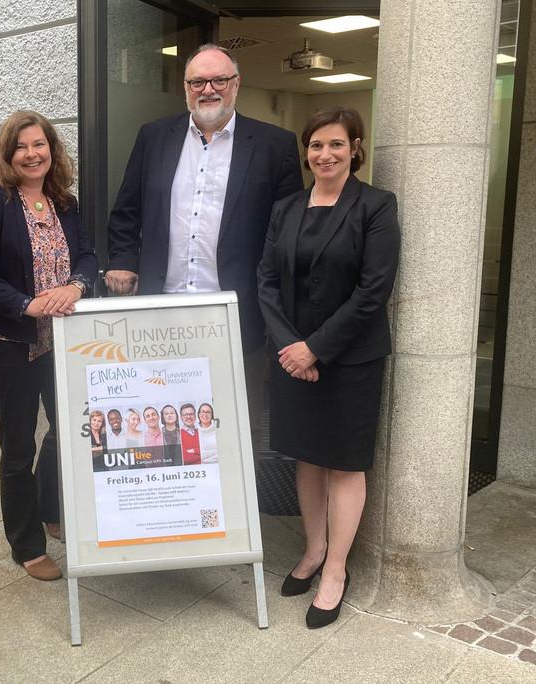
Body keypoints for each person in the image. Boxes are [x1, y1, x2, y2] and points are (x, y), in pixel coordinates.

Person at [105, 43, 303, 432]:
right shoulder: (154, 137)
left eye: (218, 80)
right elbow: (126, 210)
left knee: (234, 425)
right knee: (161, 421)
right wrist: (124, 259)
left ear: (236, 84)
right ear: (185, 87)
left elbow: (285, 232)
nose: (208, 89)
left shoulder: (274, 146)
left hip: (234, 312)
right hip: (160, 312)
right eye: (197, 81)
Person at [257, 107, 400, 629]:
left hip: (350, 359)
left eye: (337, 144)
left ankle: (337, 570)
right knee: (307, 458)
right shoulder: (287, 208)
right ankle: (313, 550)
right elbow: (266, 281)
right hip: (291, 357)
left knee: (343, 463)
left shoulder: (376, 207)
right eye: (316, 145)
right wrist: (290, 347)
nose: (325, 155)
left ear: (356, 148)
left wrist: (315, 349)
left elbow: (373, 290)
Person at [0, 110, 97, 581]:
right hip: (12, 340)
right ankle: (26, 544)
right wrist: (26, 304)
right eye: (21, 146)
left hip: (65, 340)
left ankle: (51, 510)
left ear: (52, 151)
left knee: (66, 432)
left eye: (39, 144)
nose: (31, 154)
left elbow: (86, 256)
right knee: (17, 443)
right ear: (7, 154)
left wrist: (77, 286)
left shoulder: (66, 202)